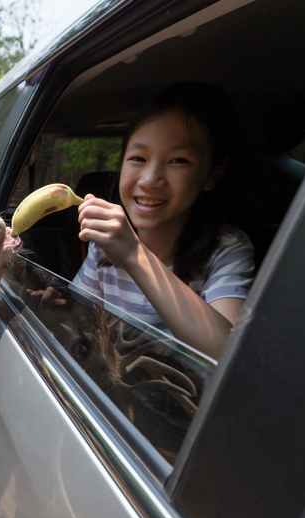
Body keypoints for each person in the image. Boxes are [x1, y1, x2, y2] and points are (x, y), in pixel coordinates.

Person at [71, 82, 255, 358]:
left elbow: (227, 353)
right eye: (138, 158)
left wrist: (134, 254)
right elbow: (80, 321)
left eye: (178, 160)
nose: (149, 180)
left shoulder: (227, 250)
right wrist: (56, 304)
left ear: (212, 175)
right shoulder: (104, 249)